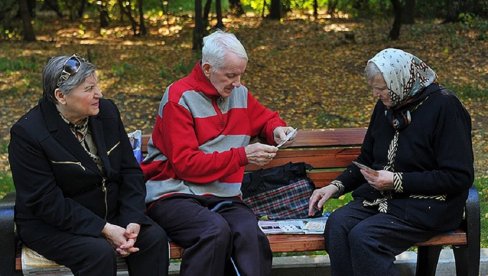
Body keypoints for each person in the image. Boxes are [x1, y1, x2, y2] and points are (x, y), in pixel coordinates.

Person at [142, 30, 296, 276]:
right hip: (173, 194)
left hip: (223, 196)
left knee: (251, 237)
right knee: (213, 232)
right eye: (231, 75)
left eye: (241, 75)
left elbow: (264, 118)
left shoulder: (239, 94)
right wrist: (242, 155)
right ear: (207, 69)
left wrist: (276, 129)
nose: (237, 83)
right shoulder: (178, 98)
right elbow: (186, 165)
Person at [308, 48, 474, 276]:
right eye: (374, 88)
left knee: (366, 238)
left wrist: (397, 181)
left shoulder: (445, 107)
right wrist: (334, 187)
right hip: (386, 199)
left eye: (382, 88)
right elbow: (366, 158)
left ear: (401, 81)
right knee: (338, 223)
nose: (377, 94)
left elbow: (459, 176)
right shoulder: (387, 106)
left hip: (430, 205)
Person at [8, 55, 169, 276]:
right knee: (97, 252)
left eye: (97, 85)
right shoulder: (29, 134)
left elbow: (130, 171)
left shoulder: (107, 112)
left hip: (109, 214)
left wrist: (133, 218)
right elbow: (46, 202)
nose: (99, 94)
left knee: (152, 239)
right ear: (61, 96)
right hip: (52, 224)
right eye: (89, 89)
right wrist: (103, 229)